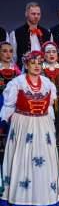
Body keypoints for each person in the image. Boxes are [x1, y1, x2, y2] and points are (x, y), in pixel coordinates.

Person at [0, 50, 59, 206]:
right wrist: (6, 125)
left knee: (44, 160)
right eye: (33, 63)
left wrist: (52, 127)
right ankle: (21, 197)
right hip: (23, 124)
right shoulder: (17, 83)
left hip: (43, 125)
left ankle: (43, 197)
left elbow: (49, 108)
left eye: (39, 63)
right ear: (26, 65)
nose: (36, 66)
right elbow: (8, 106)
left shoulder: (47, 83)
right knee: (24, 158)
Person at [0, 42, 21, 192]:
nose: (8, 54)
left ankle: (11, 183)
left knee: (11, 144)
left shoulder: (16, 71)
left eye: (10, 51)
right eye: (4, 51)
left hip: (13, 109)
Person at [10, 2, 52, 67]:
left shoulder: (47, 34)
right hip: (23, 72)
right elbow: (13, 57)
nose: (36, 16)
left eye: (38, 14)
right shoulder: (16, 33)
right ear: (26, 13)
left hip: (43, 72)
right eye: (33, 14)